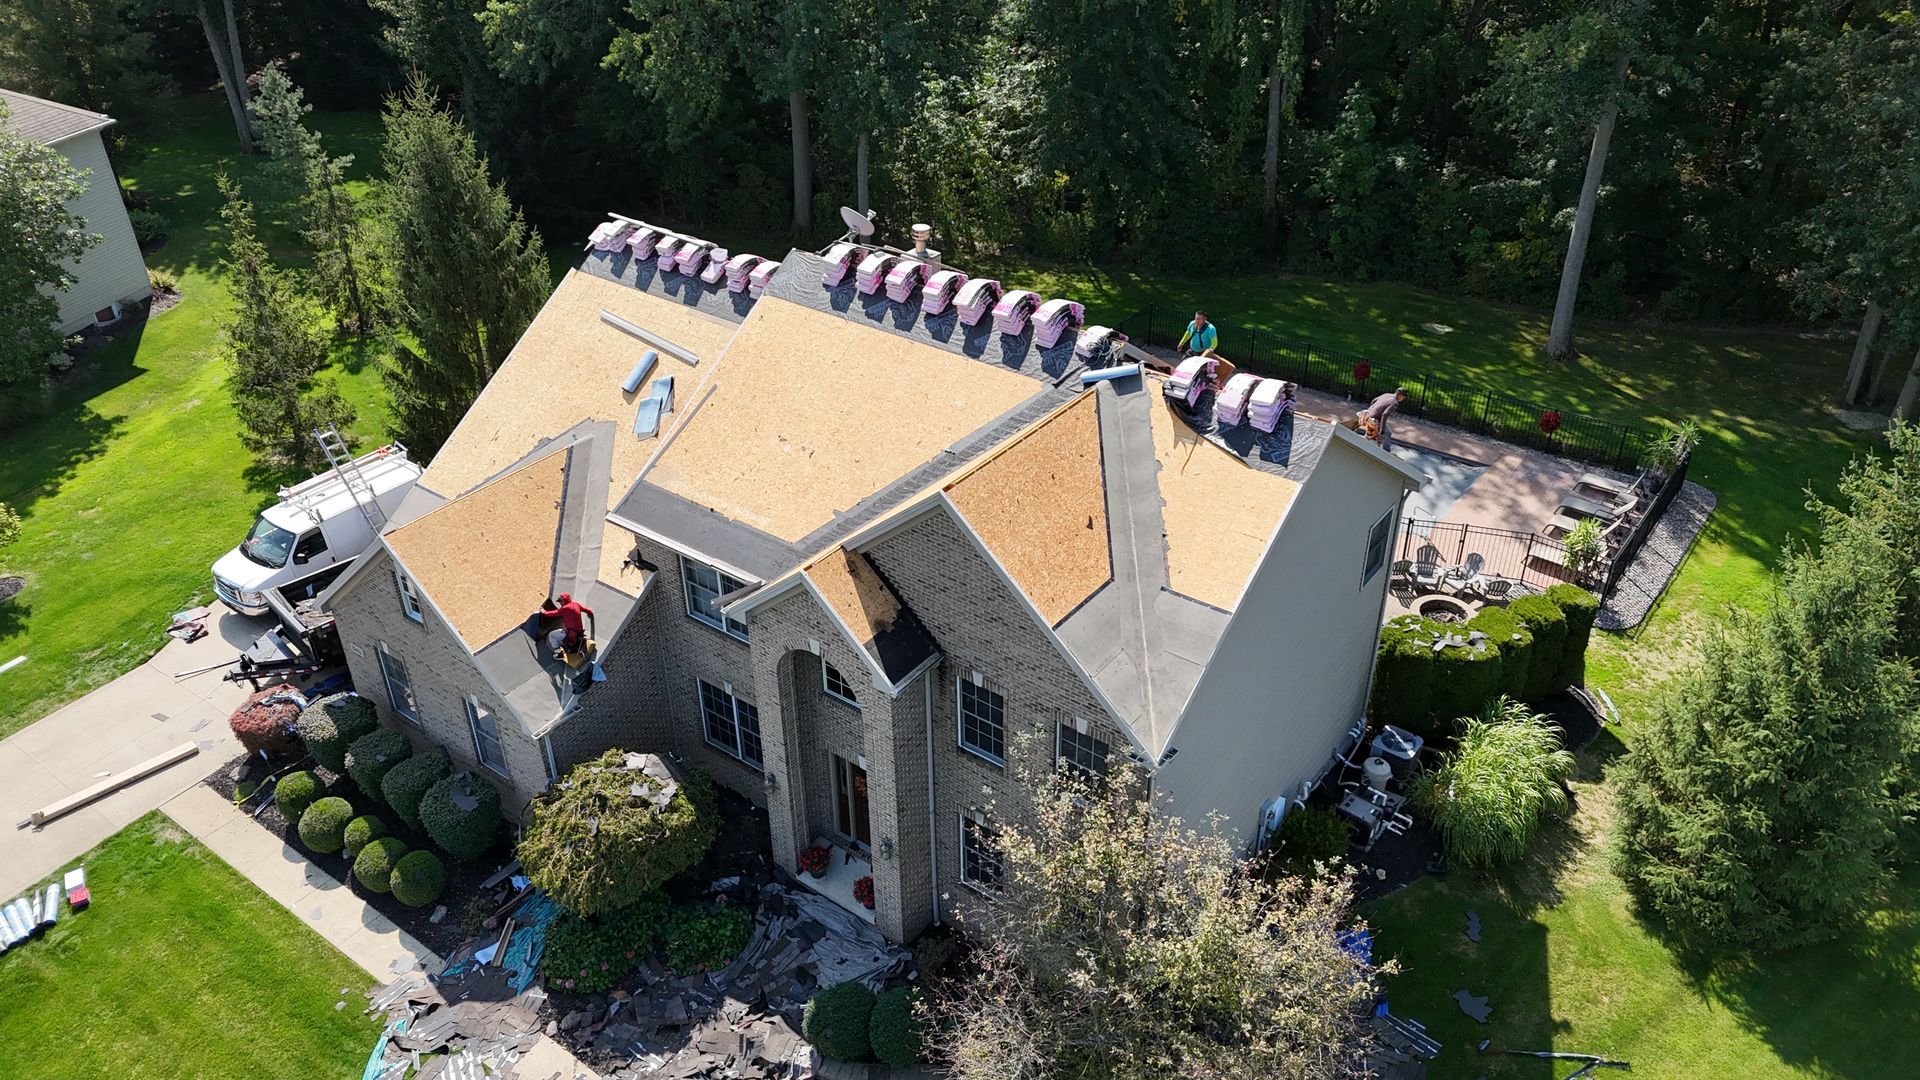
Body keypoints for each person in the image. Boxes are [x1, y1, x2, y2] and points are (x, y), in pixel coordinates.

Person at [546, 592, 596, 660]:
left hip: (571, 637)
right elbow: (586, 610)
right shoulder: (576, 604)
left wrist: (544, 612)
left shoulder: (565, 608)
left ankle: (560, 653)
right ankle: (569, 645)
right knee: (563, 629)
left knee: (551, 635)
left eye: (561, 600)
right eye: (559, 601)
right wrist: (589, 613)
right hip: (579, 633)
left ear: (566, 599)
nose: (560, 603)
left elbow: (553, 613)